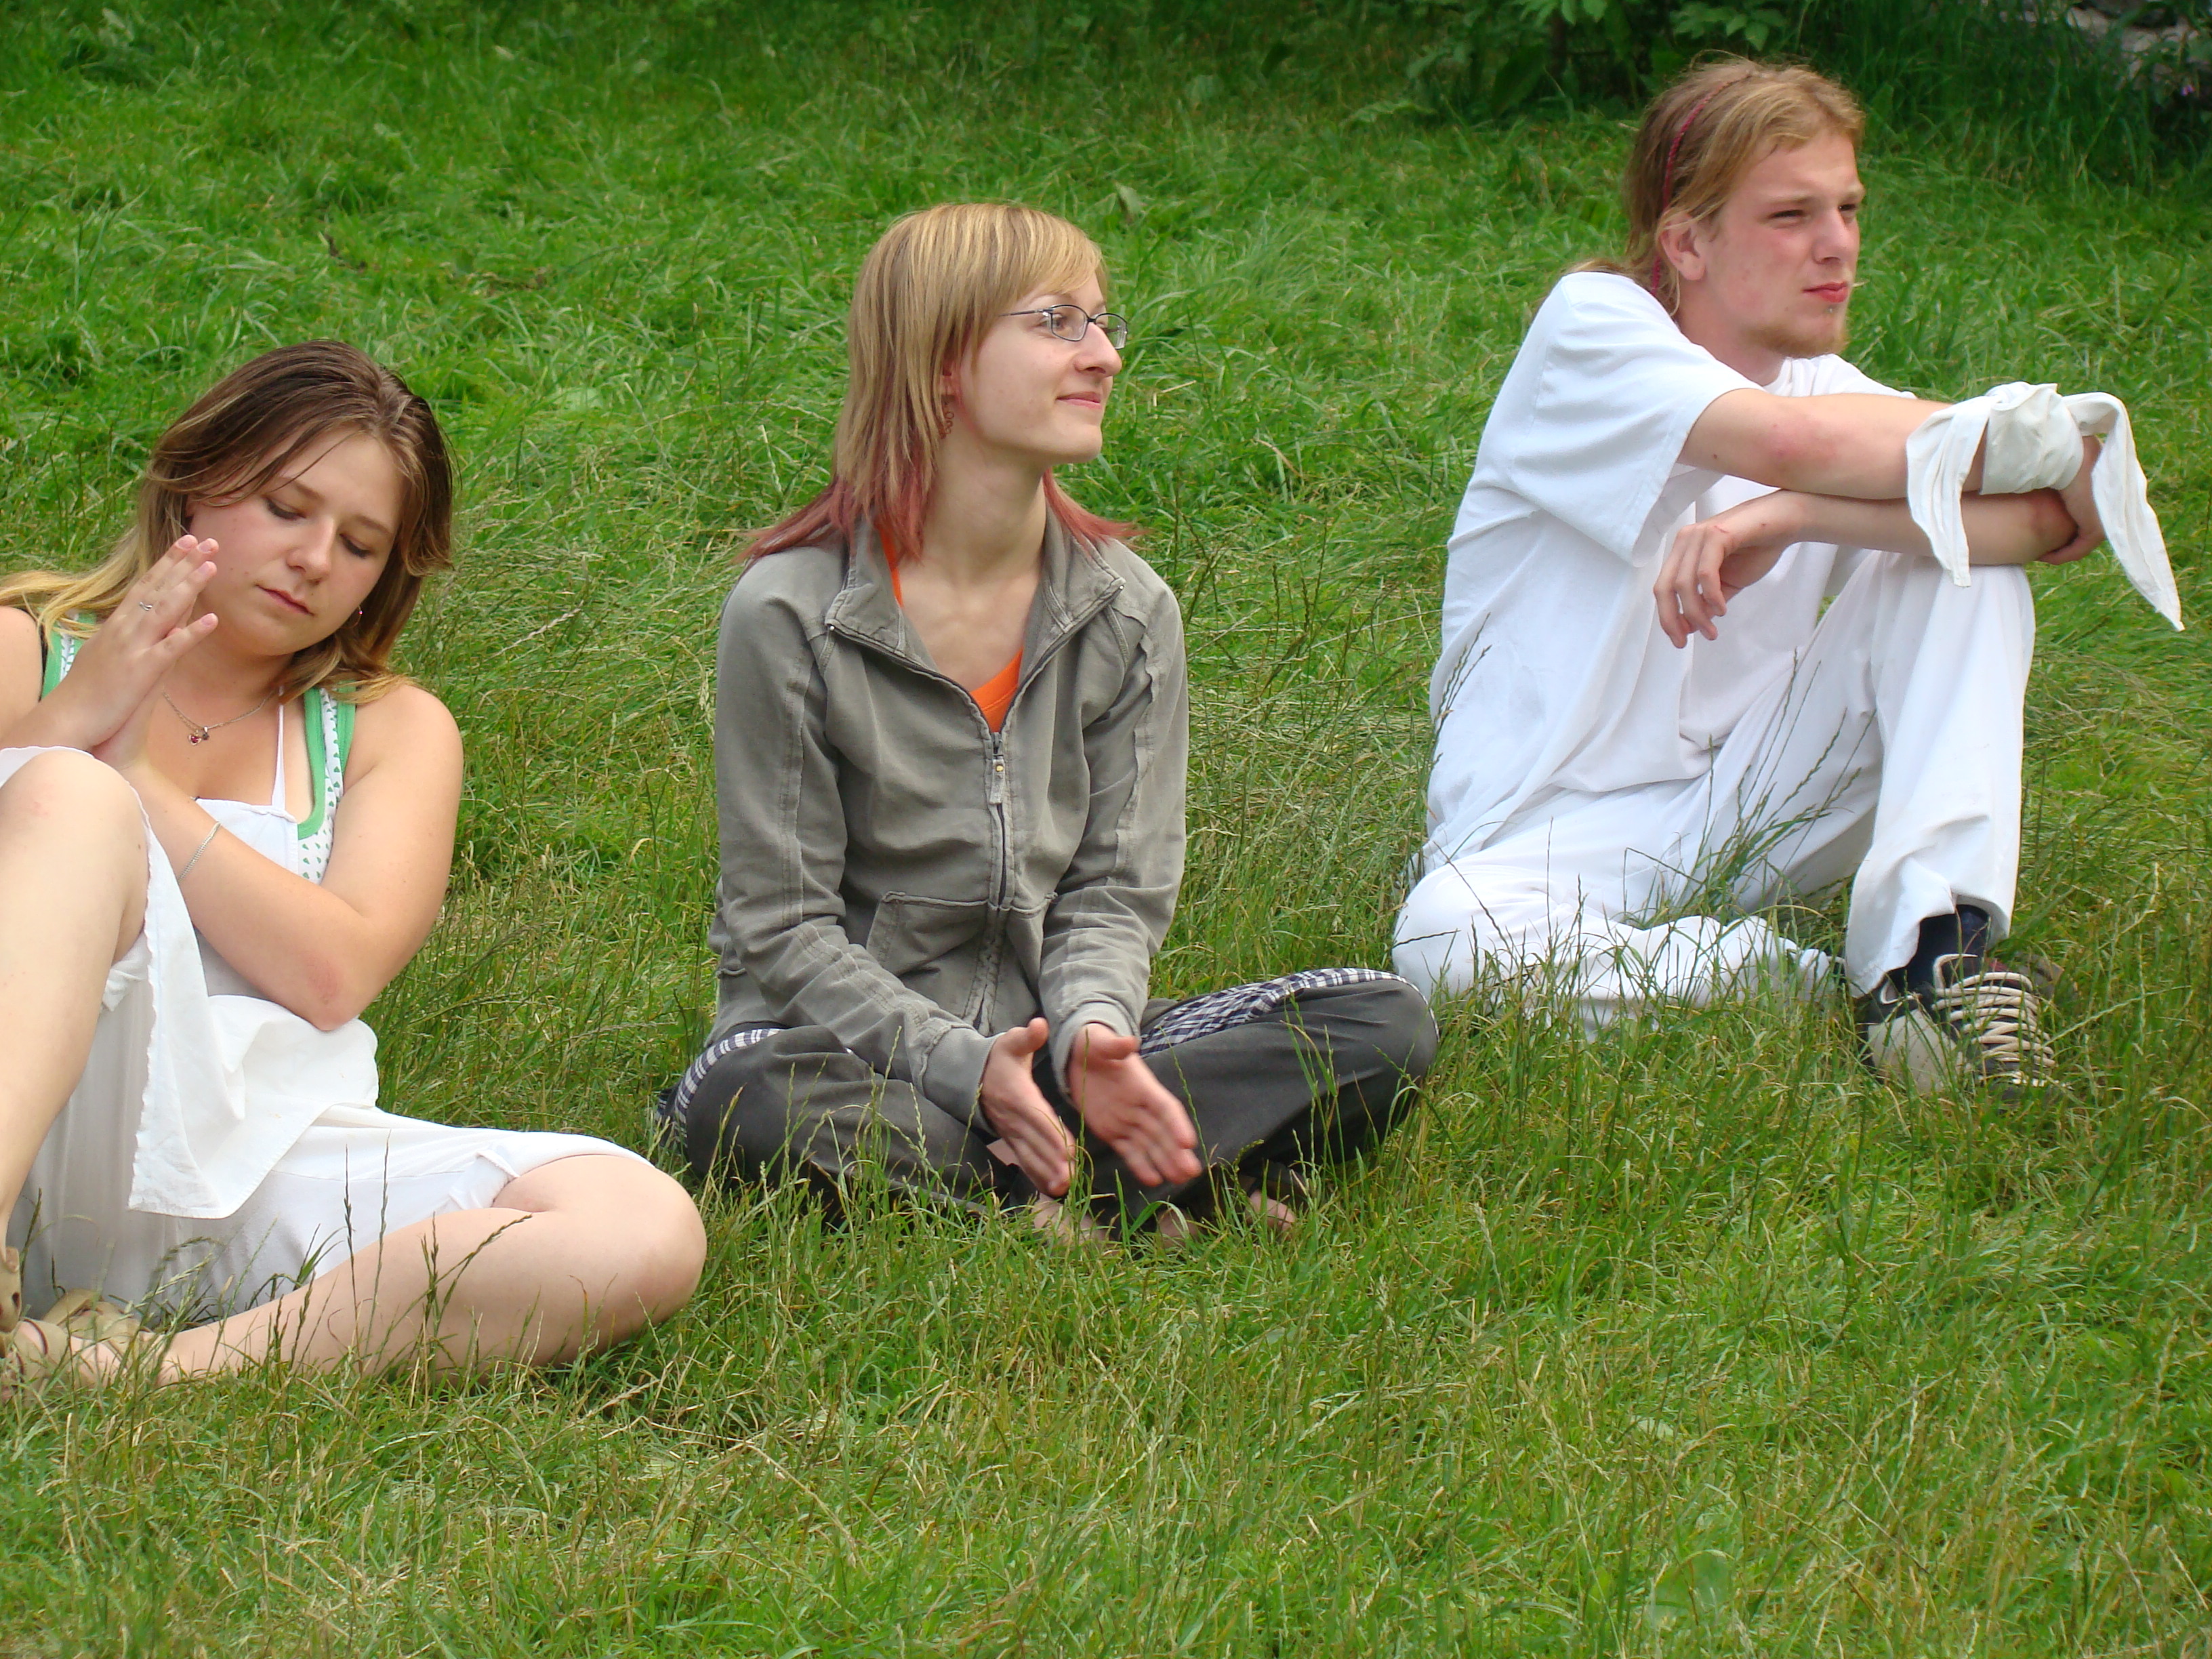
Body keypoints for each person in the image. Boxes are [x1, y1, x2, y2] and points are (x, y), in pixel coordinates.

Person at [1391, 59, 2171, 1092]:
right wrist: (2043, 446)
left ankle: (1933, 962)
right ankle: (1812, 986)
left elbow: (2038, 523)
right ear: (1687, 243)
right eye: (1791, 215)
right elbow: (1796, 443)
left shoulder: (1829, 392)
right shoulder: (1593, 330)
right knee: (1444, 942)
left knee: (1956, 565)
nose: (1838, 243)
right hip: (1548, 838)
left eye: (1848, 207)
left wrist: (1797, 515)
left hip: (1757, 796)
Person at [660, 203, 1437, 1240]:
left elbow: (1115, 894)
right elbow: (785, 929)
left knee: (1380, 1019)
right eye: (1059, 322)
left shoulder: (1128, 612)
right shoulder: (793, 614)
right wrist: (966, 1068)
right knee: (741, 1102)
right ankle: (1139, 1188)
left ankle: (1053, 1178)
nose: (1105, 355)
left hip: (1053, 1046)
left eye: (1103, 323)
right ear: (941, 358)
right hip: (851, 1053)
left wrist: (1095, 1038)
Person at [0, 341, 704, 1387]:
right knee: (66, 796)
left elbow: (334, 975)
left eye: (361, 544)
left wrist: (141, 778)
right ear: (196, 479)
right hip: (37, 1137)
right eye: (287, 508)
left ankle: (145, 1372)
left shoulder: (388, 730)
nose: (316, 559)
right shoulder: (26, 648)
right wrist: (72, 727)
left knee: (637, 1221)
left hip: (255, 1159)